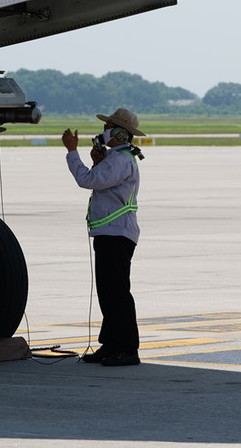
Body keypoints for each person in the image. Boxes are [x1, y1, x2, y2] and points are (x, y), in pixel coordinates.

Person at [62, 108, 146, 366]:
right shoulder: (115, 159)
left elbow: (87, 180)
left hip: (116, 234)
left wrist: (72, 152)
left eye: (109, 126)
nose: (104, 130)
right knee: (108, 293)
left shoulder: (120, 160)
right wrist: (99, 161)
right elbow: (103, 181)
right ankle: (110, 345)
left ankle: (127, 349)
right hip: (111, 232)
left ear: (121, 133)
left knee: (117, 293)